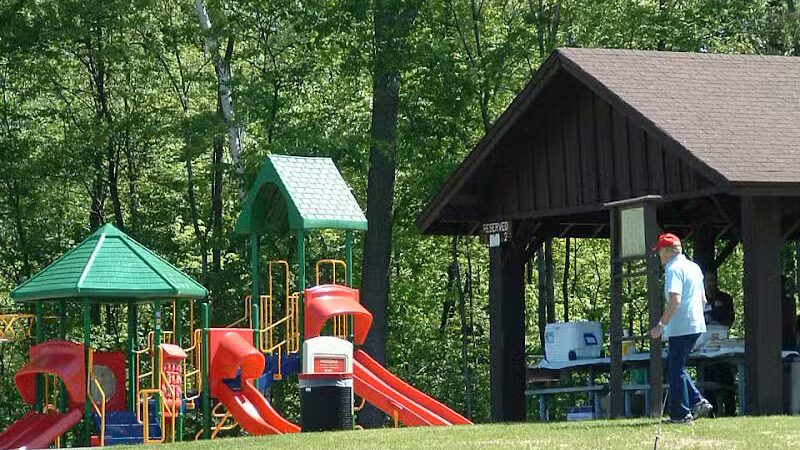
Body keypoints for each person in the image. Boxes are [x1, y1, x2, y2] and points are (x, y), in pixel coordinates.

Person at [649, 233, 713, 424]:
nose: (659, 255)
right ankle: (697, 401)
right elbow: (703, 300)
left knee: (674, 369)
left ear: (668, 251)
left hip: (681, 325)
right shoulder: (694, 267)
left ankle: (681, 415)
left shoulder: (673, 269)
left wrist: (661, 325)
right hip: (696, 324)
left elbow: (675, 300)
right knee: (675, 366)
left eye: (660, 251)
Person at [703, 271, 736, 416]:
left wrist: (719, 325)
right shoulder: (698, 300)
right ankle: (712, 412)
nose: (711, 284)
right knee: (707, 376)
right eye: (708, 281)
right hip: (704, 346)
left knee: (726, 377)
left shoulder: (726, 299)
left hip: (722, 345)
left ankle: (730, 411)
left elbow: (730, 319)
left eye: (713, 280)